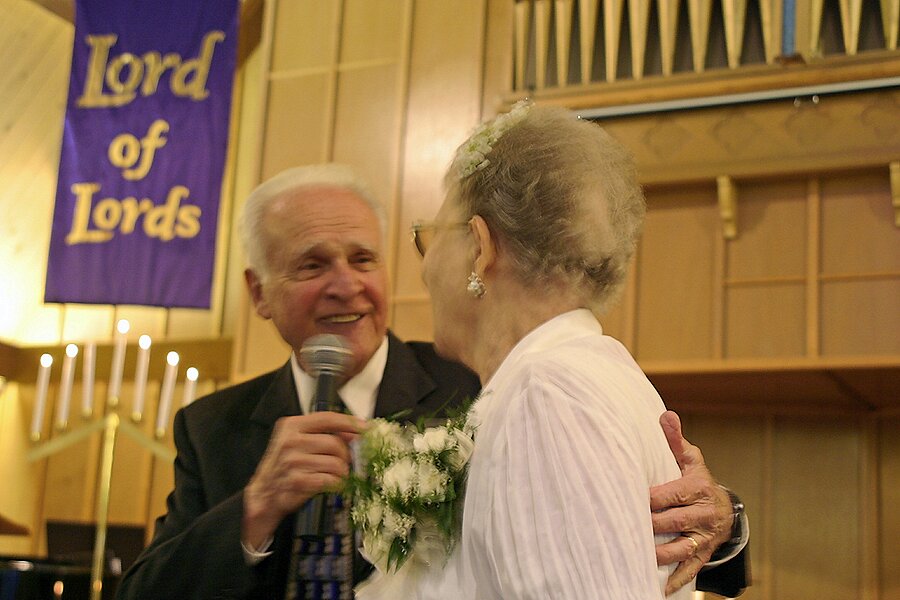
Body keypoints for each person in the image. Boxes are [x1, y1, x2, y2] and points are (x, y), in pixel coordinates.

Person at [115, 163, 747, 600]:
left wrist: (725, 523)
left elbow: (622, 546)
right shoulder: (213, 426)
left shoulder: (479, 387)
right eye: (312, 265)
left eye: (363, 259)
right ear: (259, 293)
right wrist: (253, 511)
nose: (346, 286)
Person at [358, 102, 737, 598]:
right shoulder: (578, 374)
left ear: (480, 247)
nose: (426, 270)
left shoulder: (547, 395)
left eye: (430, 239)